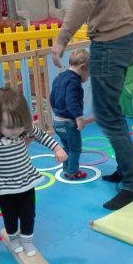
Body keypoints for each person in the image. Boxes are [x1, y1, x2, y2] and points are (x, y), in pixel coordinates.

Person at [51, 0, 133, 210]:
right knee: (112, 111)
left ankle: (131, 183)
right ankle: (125, 170)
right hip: (130, 32)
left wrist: (62, 37)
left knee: (106, 114)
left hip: (111, 38)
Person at [0, 87, 67, 257]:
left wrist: (57, 148)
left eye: (20, 126)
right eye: (10, 127)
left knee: (28, 215)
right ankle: (14, 239)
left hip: (26, 182)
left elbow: (42, 135)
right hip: (3, 187)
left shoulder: (23, 127)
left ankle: (27, 241)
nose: (16, 131)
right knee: (10, 217)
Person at [51, 48, 91, 179]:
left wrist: (57, 111)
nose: (88, 76)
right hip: (68, 122)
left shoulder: (60, 77)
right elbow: (71, 101)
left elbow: (52, 97)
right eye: (88, 72)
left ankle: (66, 168)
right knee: (75, 148)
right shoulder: (74, 82)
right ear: (83, 67)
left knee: (67, 146)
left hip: (57, 121)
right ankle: (73, 172)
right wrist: (79, 118)